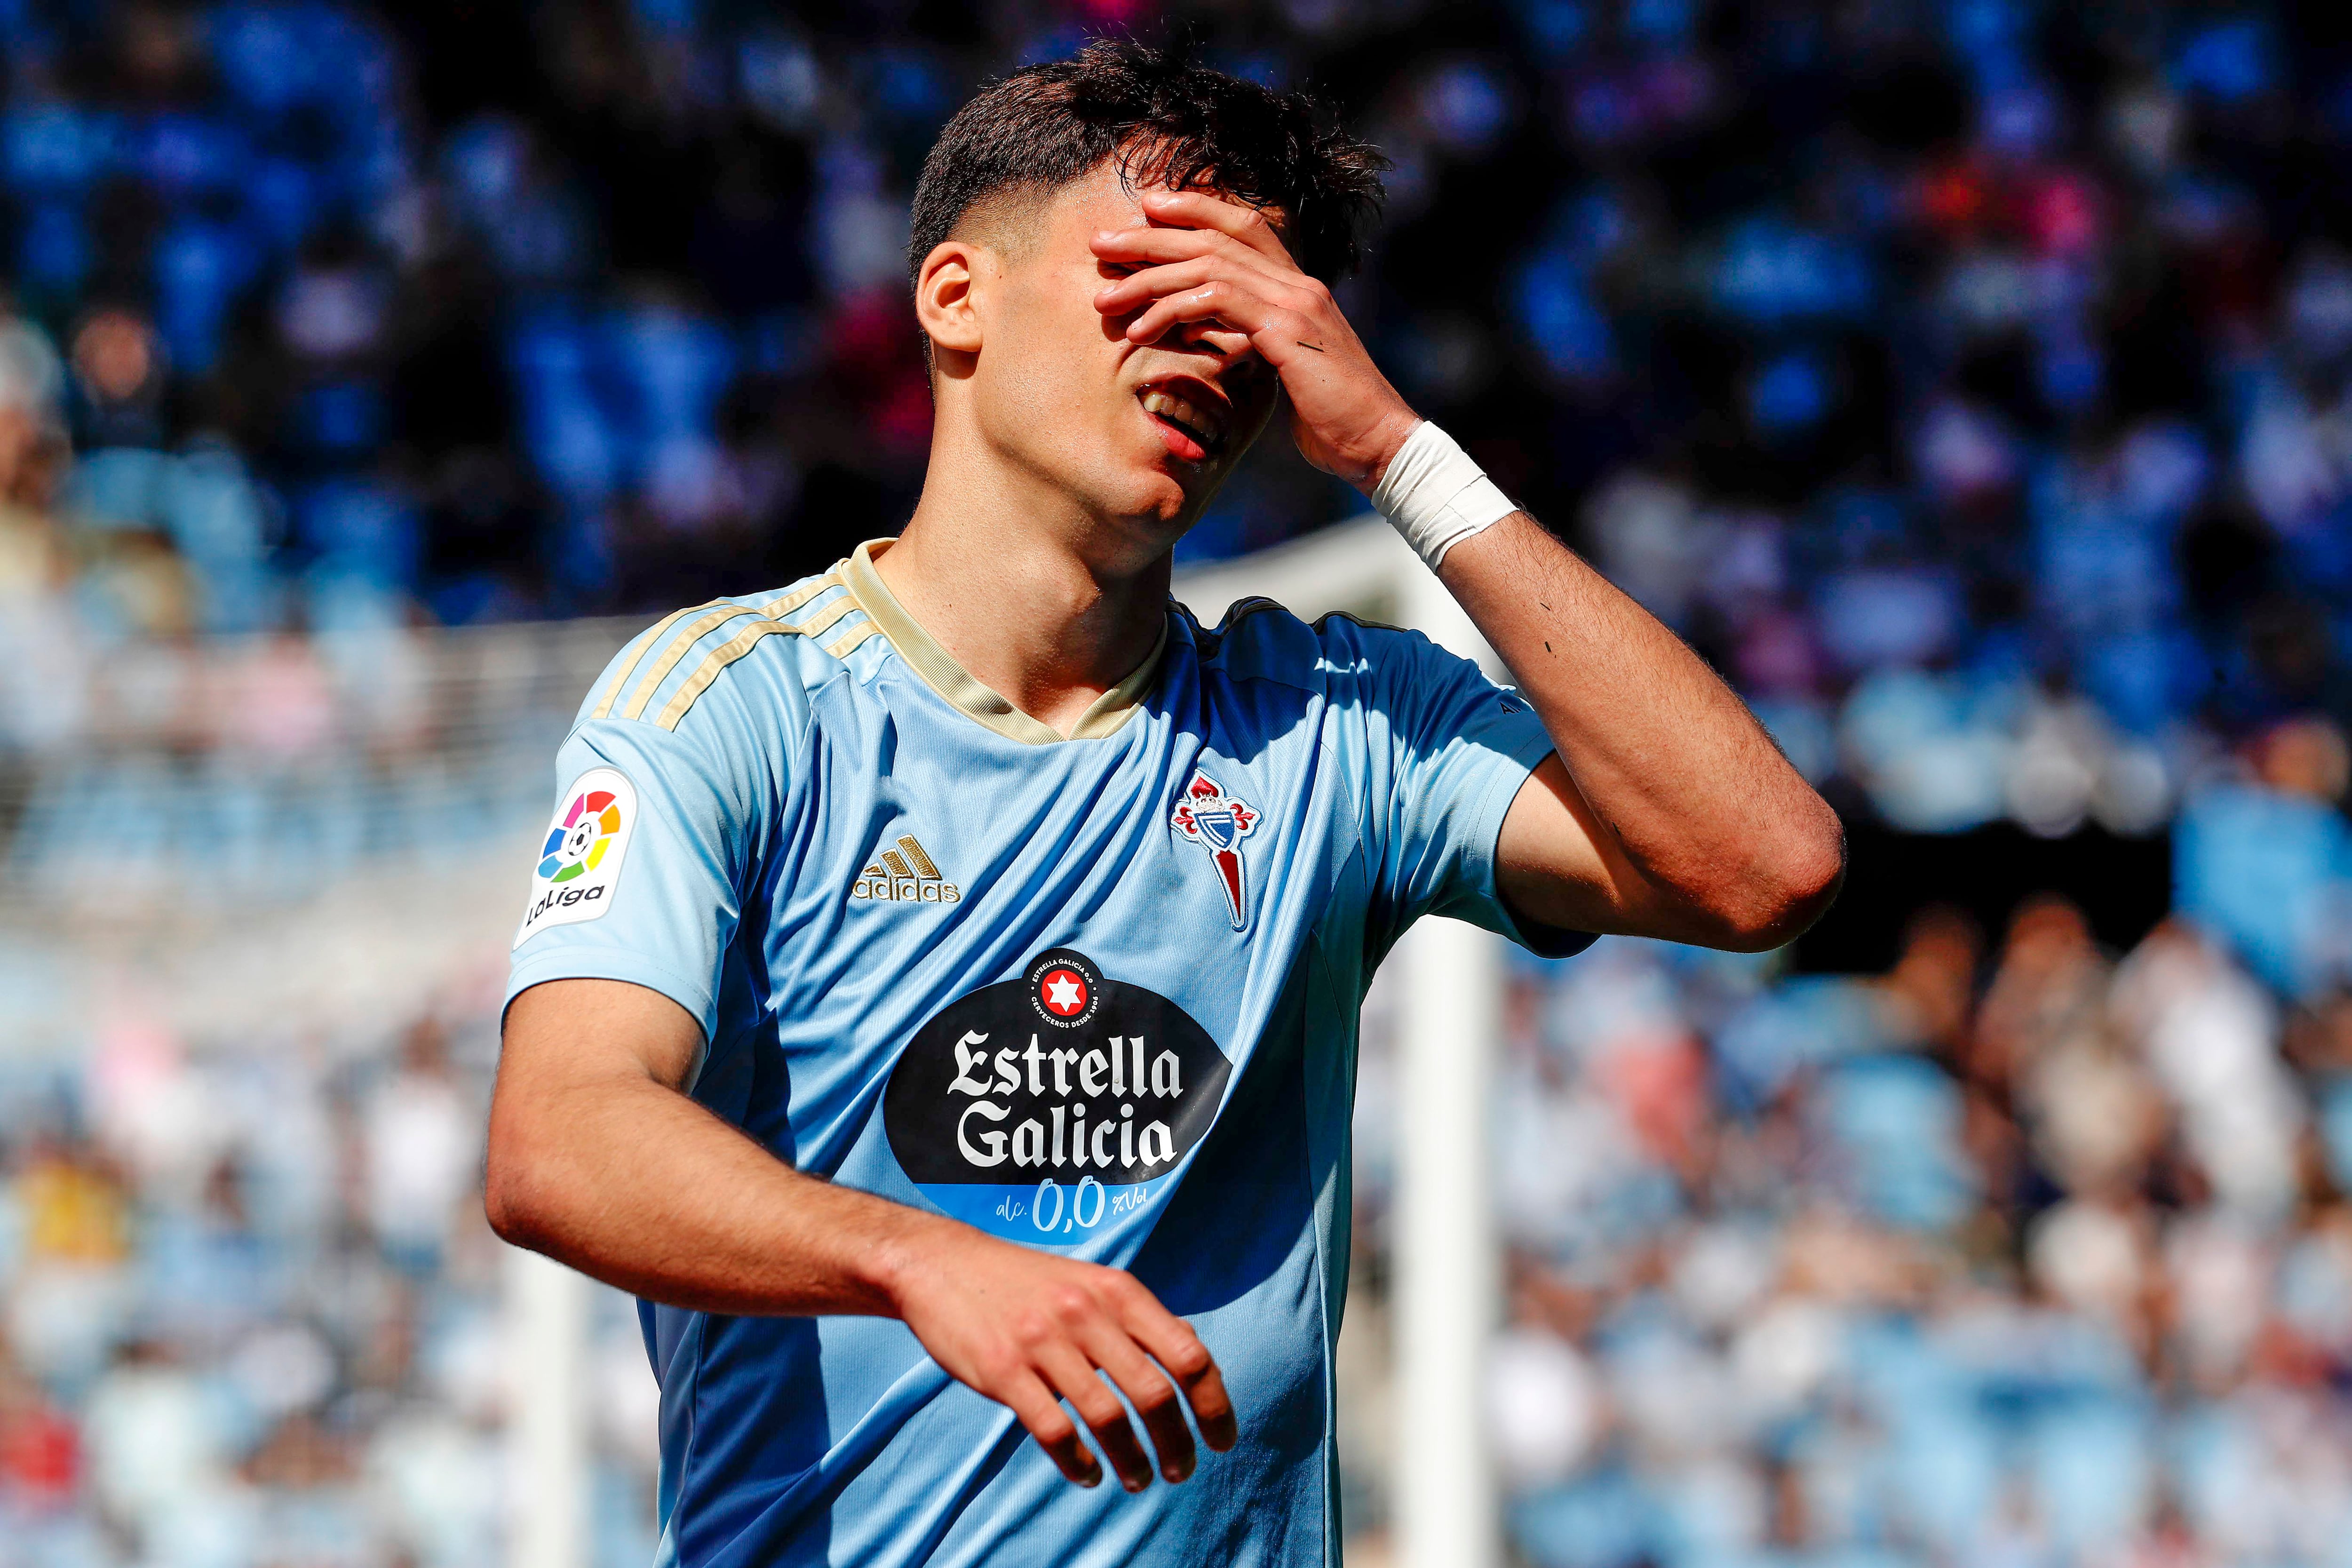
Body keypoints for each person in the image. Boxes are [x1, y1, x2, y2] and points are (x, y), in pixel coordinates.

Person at [485, 41, 1843, 1568]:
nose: (1215, 341)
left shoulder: (1338, 725)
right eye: (1158, 276)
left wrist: (1403, 454)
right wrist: (922, 1261)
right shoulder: (730, 704)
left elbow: (1766, 868)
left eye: (1261, 314)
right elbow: (559, 1136)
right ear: (957, 300)